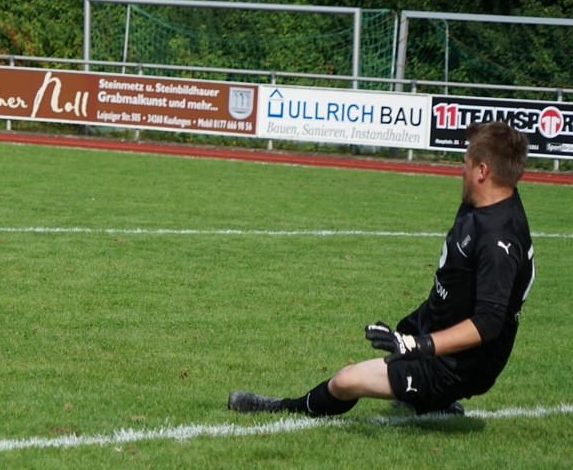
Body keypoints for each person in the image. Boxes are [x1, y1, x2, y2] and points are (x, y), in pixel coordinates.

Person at [228, 121, 534, 417]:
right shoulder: (483, 201)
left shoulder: (499, 239)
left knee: (347, 381)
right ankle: (434, 400)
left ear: (483, 171)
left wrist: (418, 345)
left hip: (458, 365)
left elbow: (489, 322)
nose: (461, 169)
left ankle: (285, 408)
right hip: (435, 318)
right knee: (400, 333)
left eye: (466, 162)